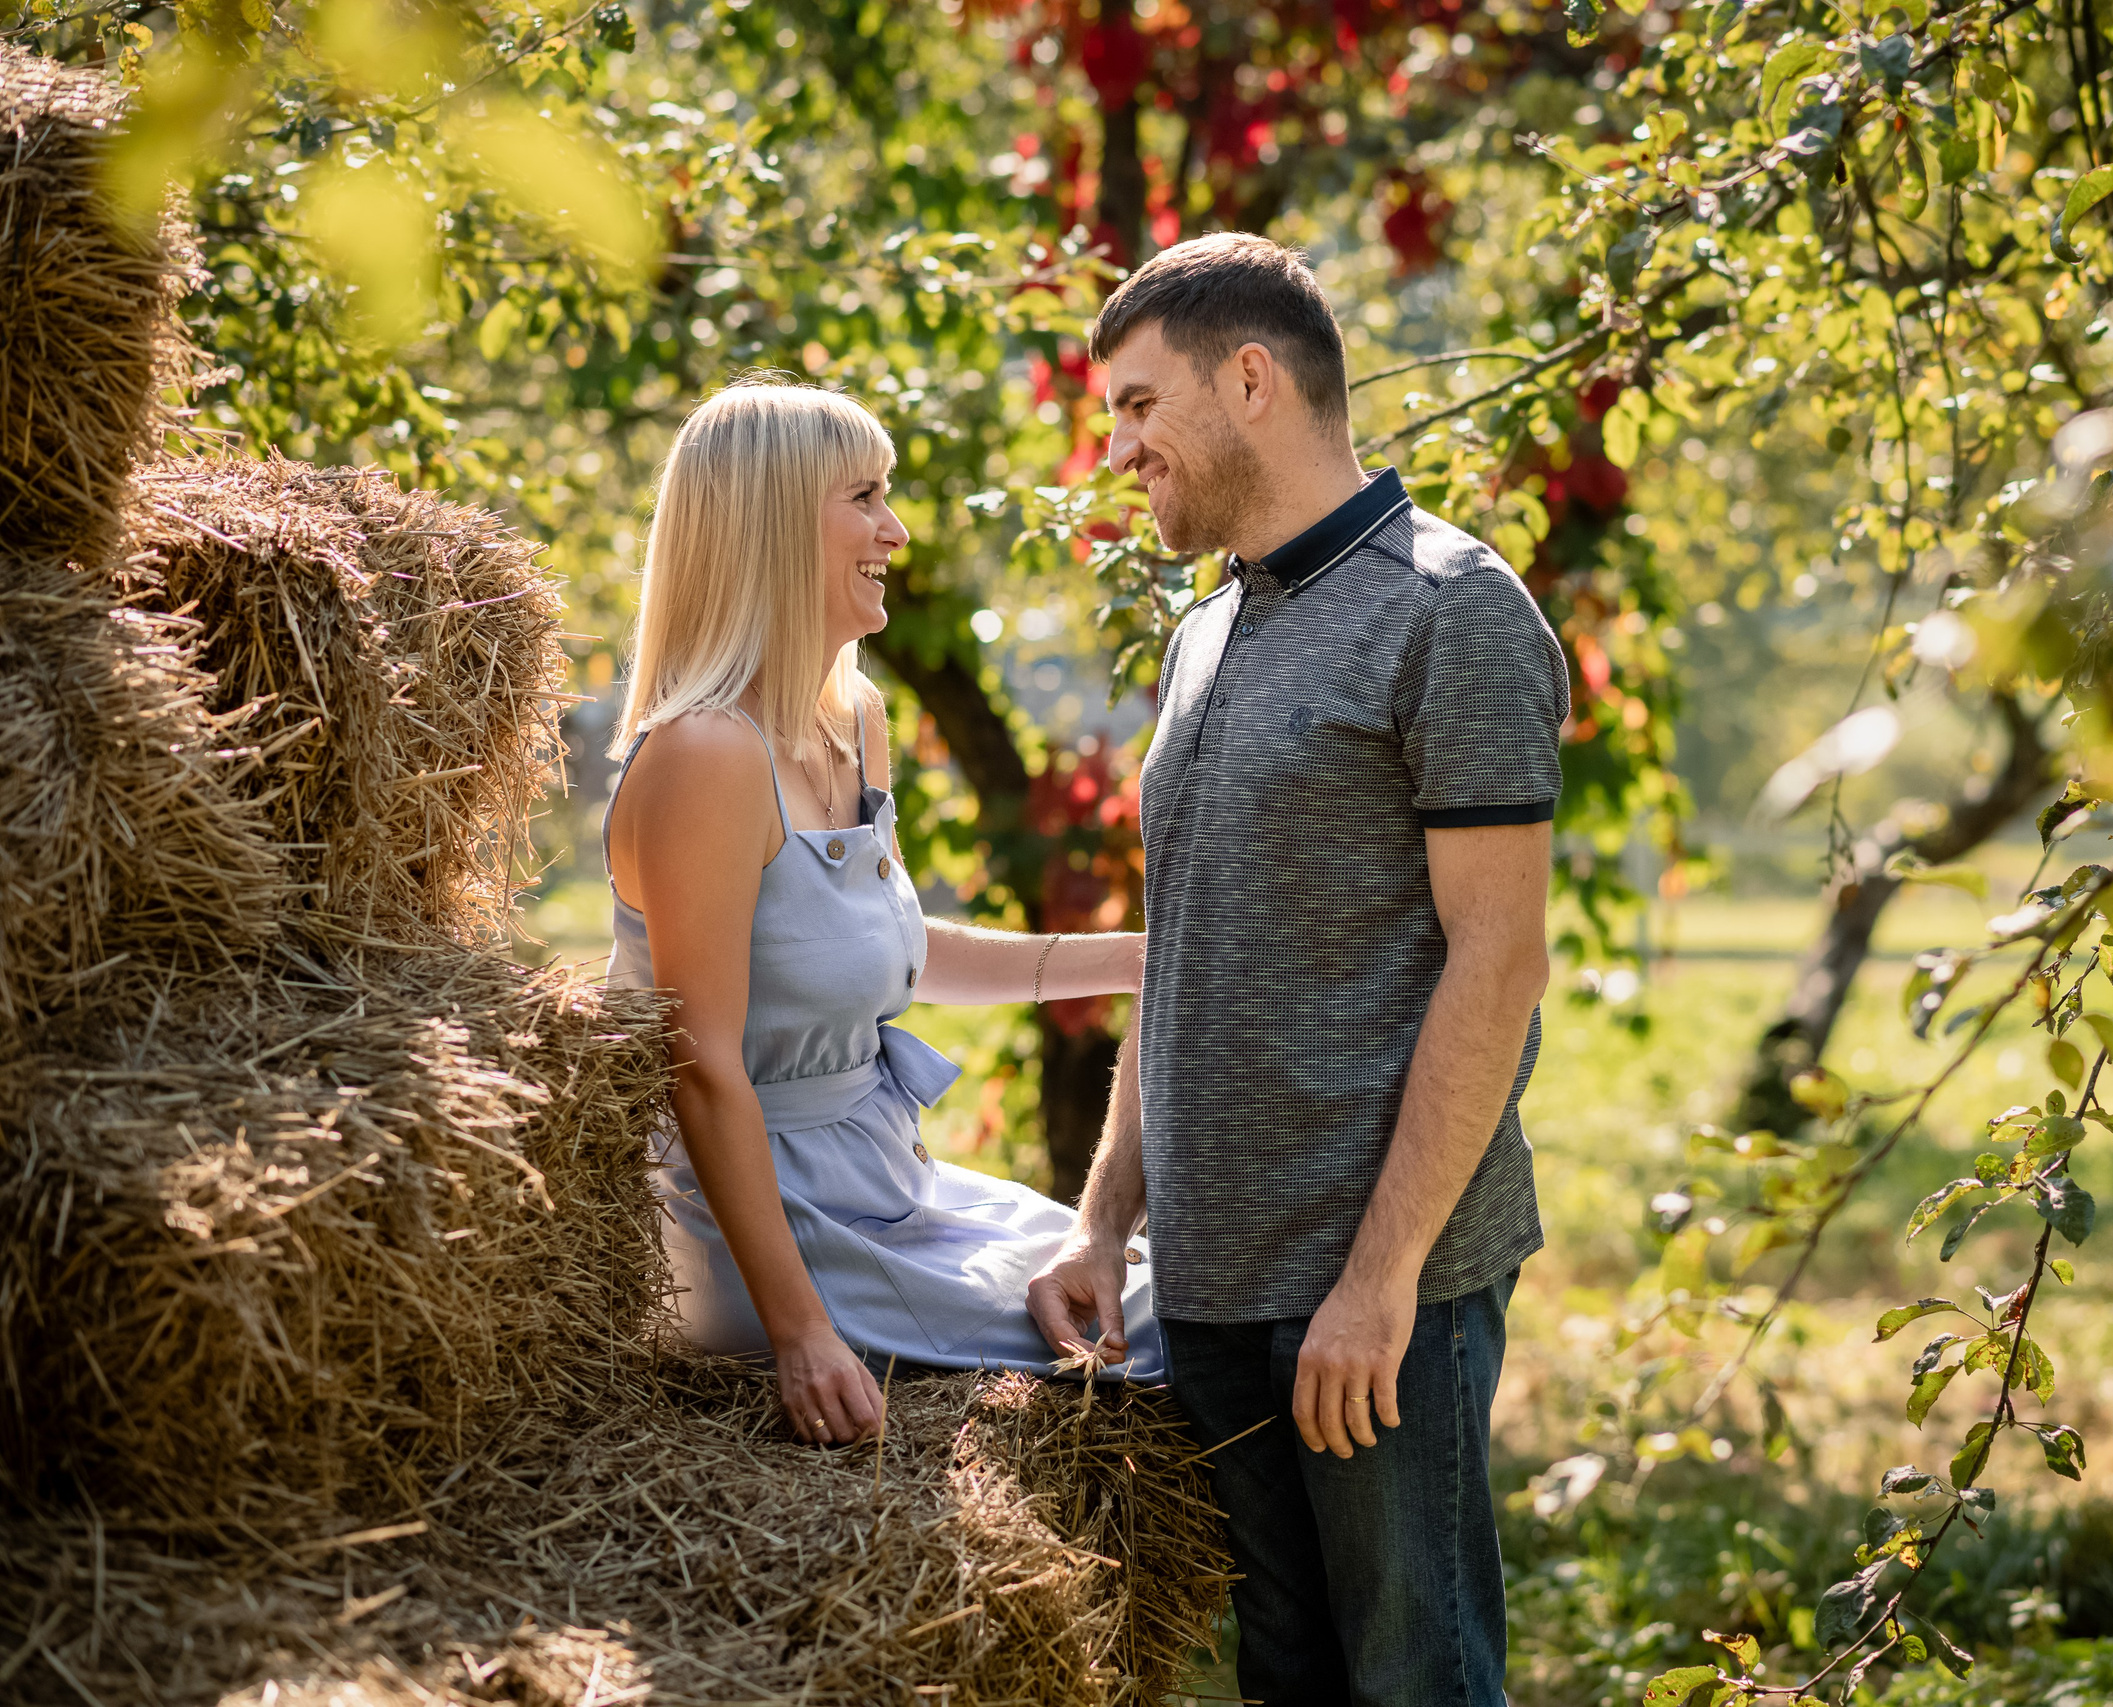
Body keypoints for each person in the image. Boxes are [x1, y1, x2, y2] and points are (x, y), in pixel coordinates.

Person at [1026, 235, 1569, 1707]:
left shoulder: (1445, 609)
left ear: (1249, 379)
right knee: (1287, 1677)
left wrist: (1380, 1280)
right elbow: (1179, 953)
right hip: (1209, 1283)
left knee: (1416, 1679)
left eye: (1140, 405)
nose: (1119, 447)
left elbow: (1500, 958)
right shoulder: (1204, 626)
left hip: (1375, 1289)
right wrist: (1103, 1223)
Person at [604, 377, 1163, 1449]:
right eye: (863, 497)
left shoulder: (852, 719)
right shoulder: (705, 758)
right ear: (769, 527)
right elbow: (700, 1063)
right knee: (1172, 1328)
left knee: (1174, 1275)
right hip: (763, 1222)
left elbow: (898, 952)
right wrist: (802, 1333)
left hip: (885, 1185)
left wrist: (1137, 957)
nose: (894, 531)